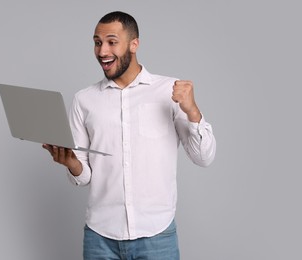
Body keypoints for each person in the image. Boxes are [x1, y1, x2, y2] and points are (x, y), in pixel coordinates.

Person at [43, 11, 216, 260]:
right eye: (97, 42)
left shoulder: (169, 91)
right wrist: (70, 162)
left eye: (112, 42)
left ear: (134, 44)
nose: (102, 51)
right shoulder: (84, 100)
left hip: (156, 235)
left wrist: (192, 110)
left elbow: (204, 157)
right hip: (99, 236)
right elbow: (84, 177)